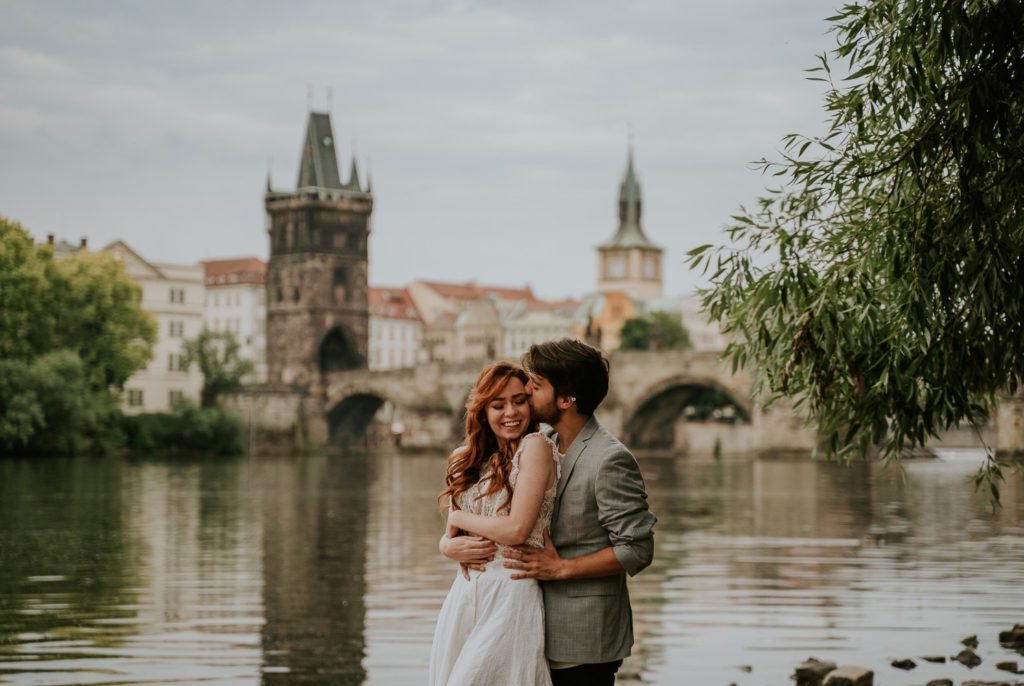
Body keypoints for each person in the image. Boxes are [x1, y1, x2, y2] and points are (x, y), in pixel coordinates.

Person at [443, 339, 656, 686]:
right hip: (526, 620)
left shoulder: (609, 458)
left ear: (566, 399)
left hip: (583, 637)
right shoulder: (543, 443)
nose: (526, 389)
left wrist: (561, 568)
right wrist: (448, 545)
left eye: (536, 384)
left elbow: (638, 549)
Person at [428, 361, 562, 686]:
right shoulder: (467, 457)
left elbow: (516, 530)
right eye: (498, 405)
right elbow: (450, 537)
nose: (510, 412)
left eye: (519, 401)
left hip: (511, 590)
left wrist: (457, 518)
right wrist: (447, 547)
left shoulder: (536, 447)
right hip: (465, 592)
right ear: (483, 410)